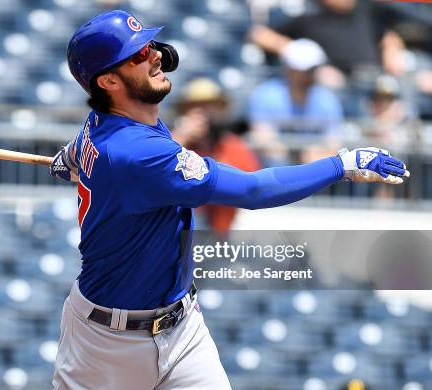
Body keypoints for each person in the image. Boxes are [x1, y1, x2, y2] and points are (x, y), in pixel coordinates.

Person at [49, 10, 409, 390]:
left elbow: (90, 145)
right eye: (137, 54)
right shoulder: (136, 152)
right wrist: (342, 164)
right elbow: (254, 190)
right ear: (108, 80)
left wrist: (72, 157)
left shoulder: (112, 124)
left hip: (182, 326)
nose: (155, 54)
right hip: (106, 345)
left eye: (150, 46)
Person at [172, 77, 260, 234]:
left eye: (209, 106)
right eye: (196, 106)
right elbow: (156, 171)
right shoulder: (175, 143)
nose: (204, 113)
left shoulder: (233, 145)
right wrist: (182, 137)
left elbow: (249, 185)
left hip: (221, 232)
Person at [250, 0, 406, 88]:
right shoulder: (307, 13)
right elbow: (259, 34)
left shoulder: (365, 9)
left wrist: (391, 50)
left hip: (374, 80)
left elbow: (388, 35)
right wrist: (301, 56)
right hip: (333, 86)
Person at [248, 39, 343, 165]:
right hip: (275, 168)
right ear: (290, 69)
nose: (310, 74)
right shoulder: (266, 95)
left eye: (313, 69)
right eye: (306, 70)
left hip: (314, 166)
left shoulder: (327, 99)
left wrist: (317, 158)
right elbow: (263, 139)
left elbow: (334, 143)